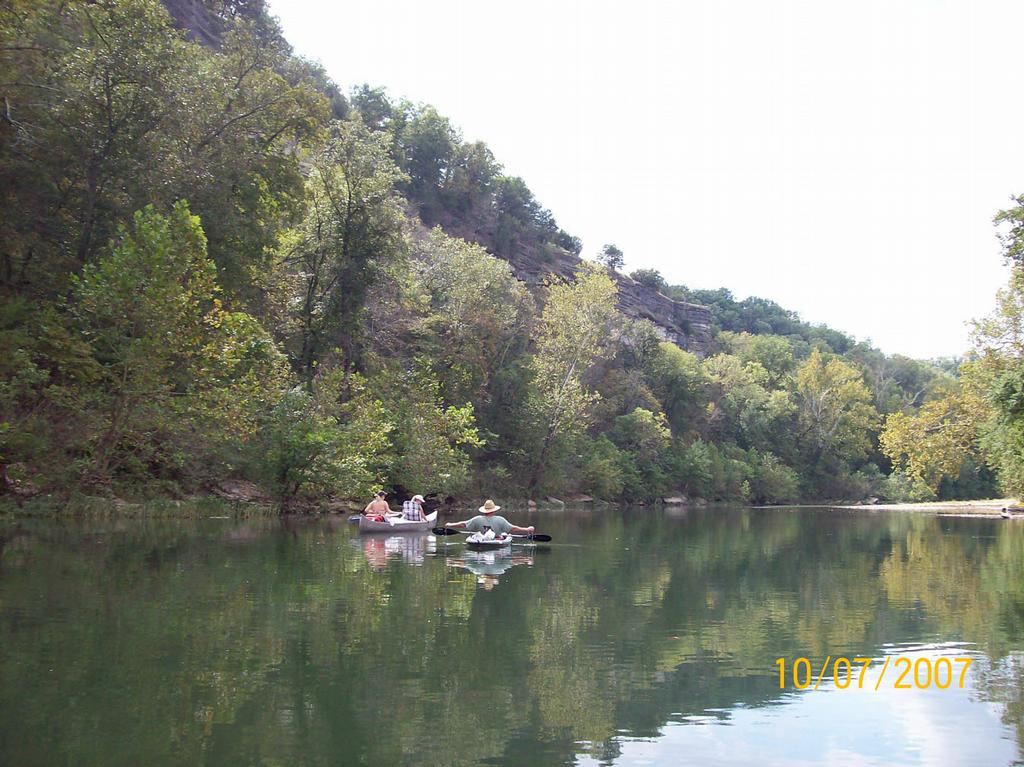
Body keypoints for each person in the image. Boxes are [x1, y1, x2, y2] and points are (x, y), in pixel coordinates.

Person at [445, 499, 534, 538]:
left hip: (481, 540)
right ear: (494, 510)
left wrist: (450, 524)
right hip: (497, 539)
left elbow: (463, 524)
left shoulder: (477, 519)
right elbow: (513, 529)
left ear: (484, 510)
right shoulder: (500, 519)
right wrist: (527, 529)